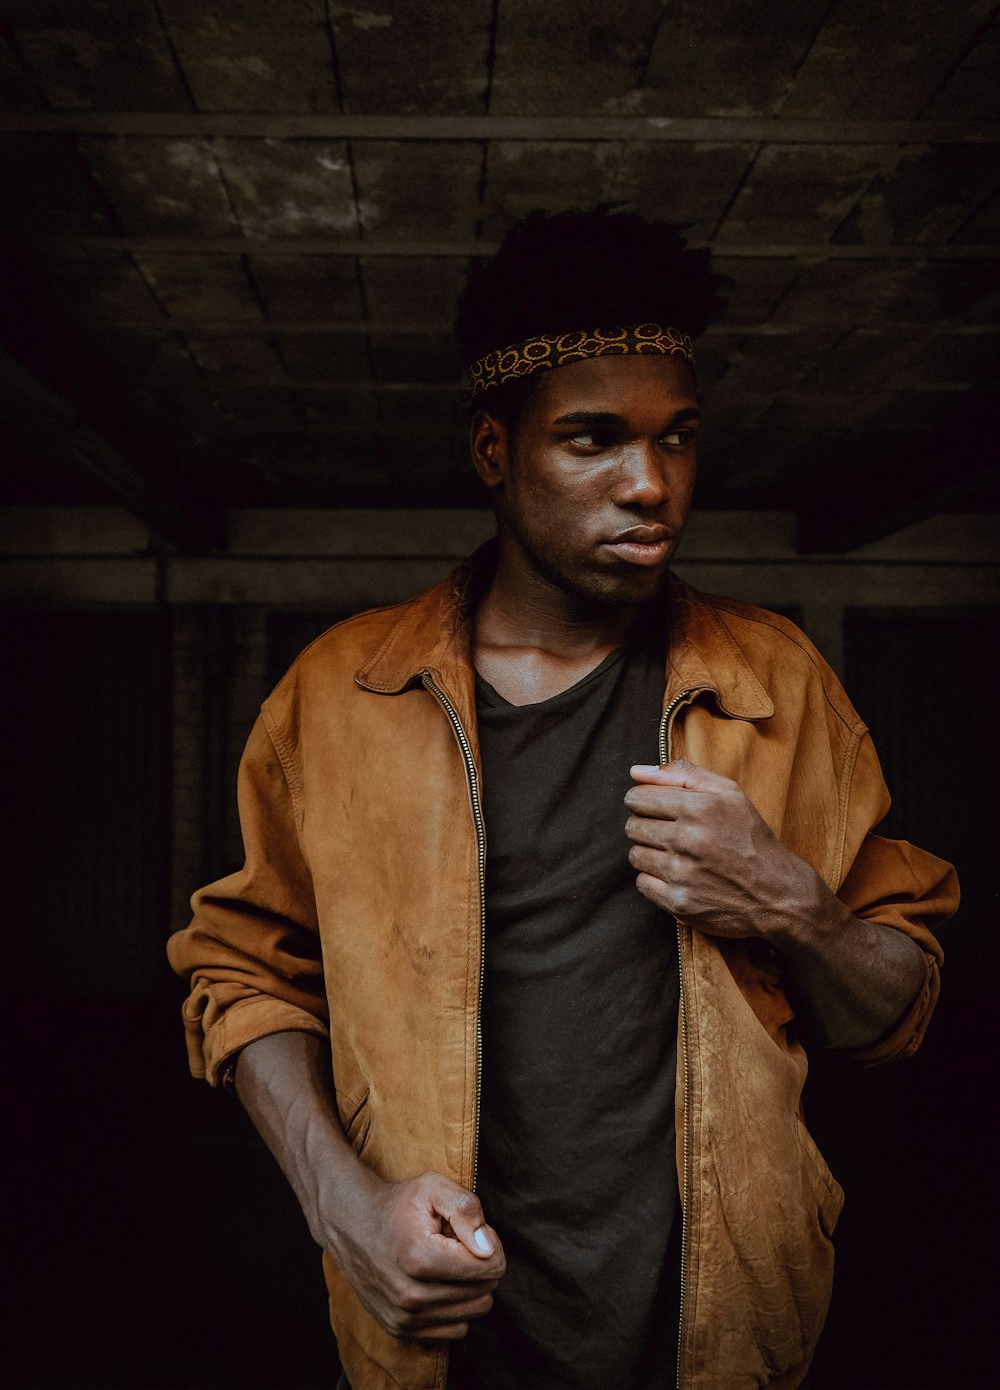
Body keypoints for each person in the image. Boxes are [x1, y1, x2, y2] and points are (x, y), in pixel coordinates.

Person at [168, 206, 958, 1390]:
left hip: (724, 1332)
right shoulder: (341, 694)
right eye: (592, 439)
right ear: (496, 451)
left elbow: (891, 1014)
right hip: (436, 1330)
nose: (650, 484)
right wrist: (346, 1211)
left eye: (678, 438)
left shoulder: (776, 682)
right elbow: (241, 977)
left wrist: (796, 907)